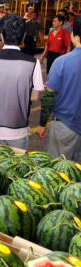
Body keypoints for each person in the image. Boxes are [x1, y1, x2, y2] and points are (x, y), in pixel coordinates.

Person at [0, 14, 44, 150]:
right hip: (17, 130)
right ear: (23, 36)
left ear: (1, 35)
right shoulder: (33, 63)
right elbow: (35, 97)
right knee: (15, 169)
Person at [36, 17, 81, 162]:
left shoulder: (62, 62)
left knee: (56, 174)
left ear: (76, 35)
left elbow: (49, 97)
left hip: (63, 127)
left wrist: (42, 124)